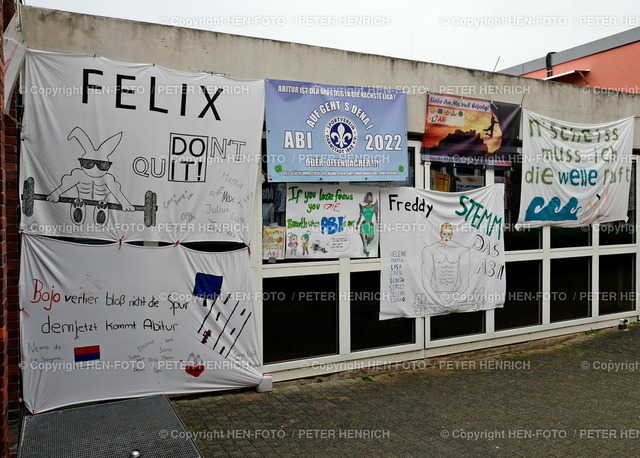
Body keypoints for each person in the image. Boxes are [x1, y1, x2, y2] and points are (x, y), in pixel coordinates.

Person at [356, 192, 378, 257]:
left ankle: (365, 250)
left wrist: (377, 224)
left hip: (370, 225)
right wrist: (357, 224)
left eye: (371, 197)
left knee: (370, 239)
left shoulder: (374, 206)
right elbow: (359, 217)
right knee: (364, 240)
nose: (370, 198)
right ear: (366, 198)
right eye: (369, 197)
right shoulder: (363, 207)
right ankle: (366, 251)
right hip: (363, 225)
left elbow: (376, 218)